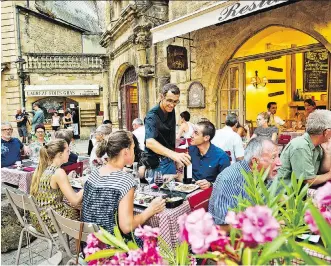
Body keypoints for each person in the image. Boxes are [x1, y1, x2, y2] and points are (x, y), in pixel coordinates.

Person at [82, 130, 165, 243]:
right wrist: (151, 210)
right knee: (156, 238)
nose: (135, 152)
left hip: (89, 244)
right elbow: (127, 227)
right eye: (133, 148)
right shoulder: (125, 180)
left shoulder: (95, 172)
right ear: (126, 152)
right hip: (112, 247)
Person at [209, 137, 282, 228]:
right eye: (273, 157)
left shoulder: (267, 175)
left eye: (279, 156)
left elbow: (280, 199)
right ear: (254, 162)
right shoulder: (230, 180)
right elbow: (223, 226)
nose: (280, 163)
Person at [30, 139, 82, 233]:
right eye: (67, 151)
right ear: (60, 154)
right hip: (51, 222)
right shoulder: (58, 172)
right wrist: (88, 186)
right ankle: (85, 244)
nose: (69, 154)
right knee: (82, 210)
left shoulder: (45, 168)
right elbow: (74, 201)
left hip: (39, 220)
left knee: (74, 206)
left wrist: (68, 178)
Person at [144, 83, 190, 175]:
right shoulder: (151, 116)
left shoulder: (171, 110)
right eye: (169, 100)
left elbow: (170, 138)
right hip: (157, 164)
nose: (172, 105)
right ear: (161, 97)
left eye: (175, 101)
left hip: (169, 160)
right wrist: (174, 155)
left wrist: (176, 159)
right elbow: (149, 142)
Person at [277, 110, 331, 186]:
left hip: (300, 191)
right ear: (326, 132)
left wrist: (327, 152)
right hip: (285, 193)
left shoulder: (317, 145)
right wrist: (329, 175)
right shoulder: (301, 146)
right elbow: (308, 180)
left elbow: (322, 171)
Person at [189, 121, 230, 190]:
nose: (191, 135)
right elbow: (184, 173)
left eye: (196, 133)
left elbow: (227, 182)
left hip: (212, 194)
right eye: (193, 132)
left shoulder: (221, 156)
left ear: (206, 138)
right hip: (191, 190)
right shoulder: (190, 150)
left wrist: (210, 184)